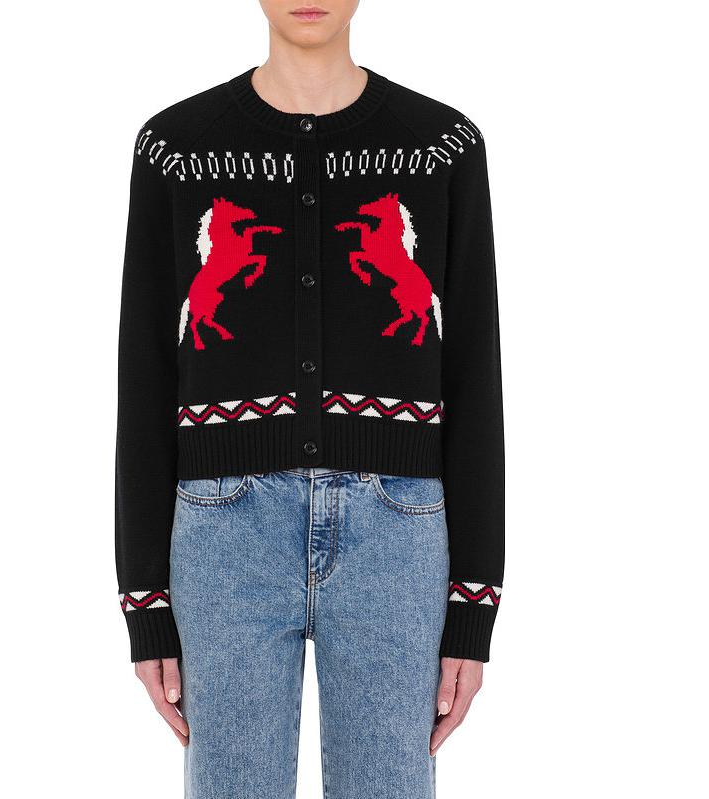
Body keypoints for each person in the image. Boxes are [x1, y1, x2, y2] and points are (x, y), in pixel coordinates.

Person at [115, 1, 504, 795]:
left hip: (398, 532)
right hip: (223, 532)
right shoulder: (176, 150)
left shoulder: (440, 147)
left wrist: (474, 601)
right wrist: (144, 599)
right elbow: (144, 372)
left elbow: (474, 374)